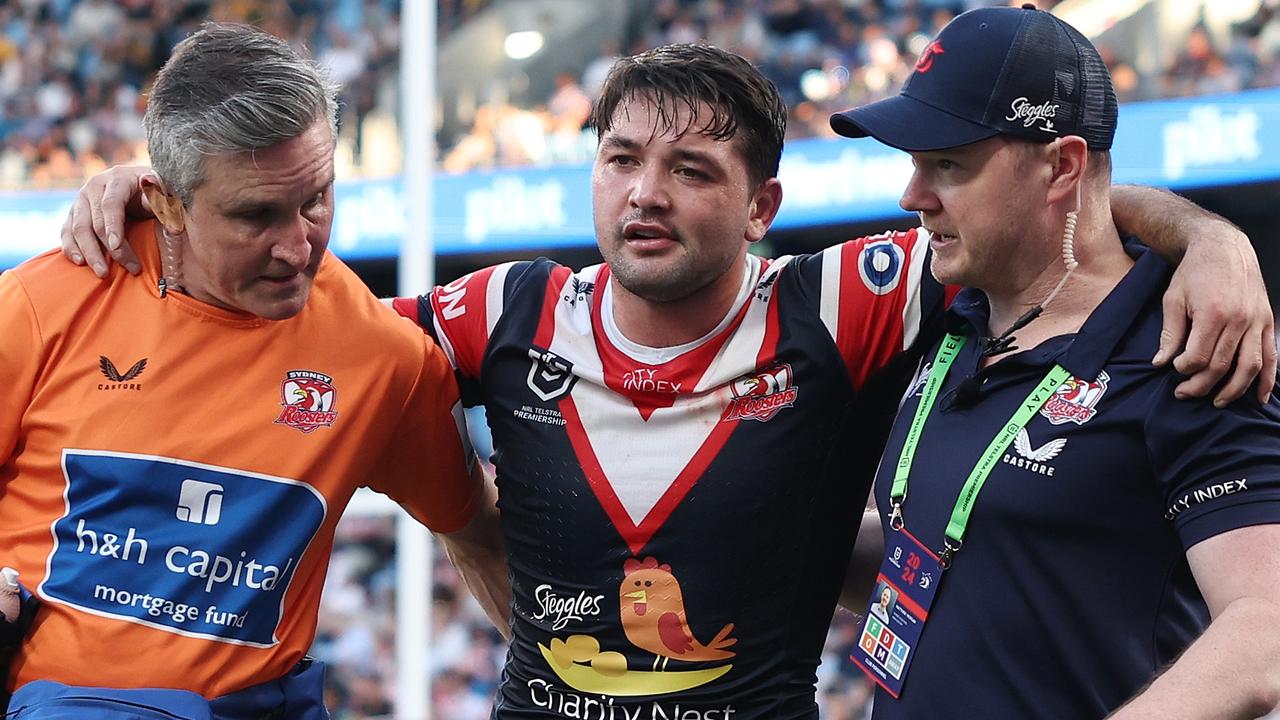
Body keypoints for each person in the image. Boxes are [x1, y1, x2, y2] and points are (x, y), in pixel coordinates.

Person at [61, 41, 1275, 719]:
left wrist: (1206, 240)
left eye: (691, 169)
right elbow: (275, 333)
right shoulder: (502, 310)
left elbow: (1043, 214)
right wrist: (151, 195)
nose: (645, 191)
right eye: (622, 159)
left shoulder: (840, 301)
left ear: (763, 208)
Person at [0, 24, 508, 719]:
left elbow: (475, 526)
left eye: (317, 199)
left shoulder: (383, 358)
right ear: (165, 200)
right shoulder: (41, 305)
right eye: (256, 216)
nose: (299, 246)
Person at [830, 5, 1280, 717]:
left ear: (1062, 166)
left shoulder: (1189, 344)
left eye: (948, 163)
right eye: (915, 164)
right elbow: (963, 551)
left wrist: (1215, 243)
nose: (912, 197)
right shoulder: (947, 312)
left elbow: (1265, 634)